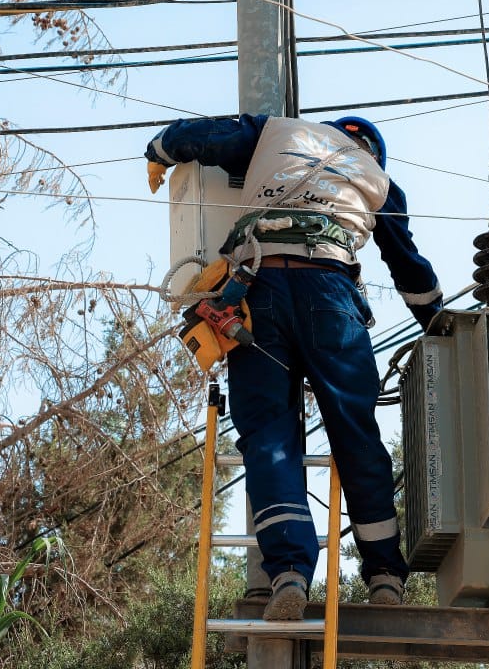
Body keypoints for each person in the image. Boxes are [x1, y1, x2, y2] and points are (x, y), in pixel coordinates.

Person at [145, 114, 442, 620]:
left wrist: (160, 150)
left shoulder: (276, 133)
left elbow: (209, 136)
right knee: (356, 435)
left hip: (255, 289)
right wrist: (437, 321)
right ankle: (385, 577)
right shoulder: (380, 180)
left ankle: (288, 573)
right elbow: (408, 267)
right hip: (331, 295)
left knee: (269, 437)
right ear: (373, 151)